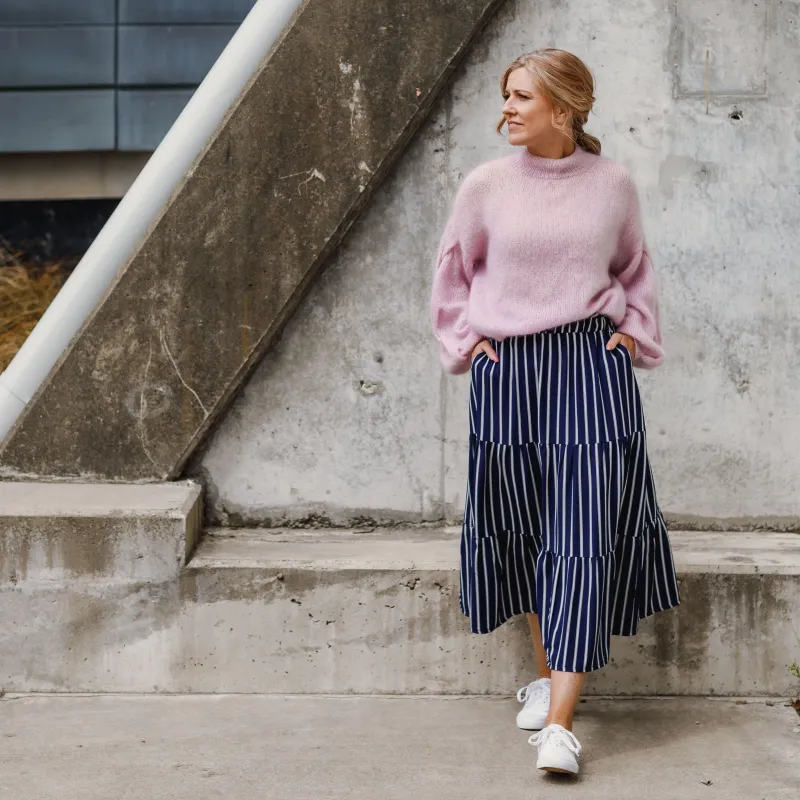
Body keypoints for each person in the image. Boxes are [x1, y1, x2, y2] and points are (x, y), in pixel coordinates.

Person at [429, 49, 680, 776]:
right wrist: (467, 343)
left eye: (520, 97)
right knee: (531, 528)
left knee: (581, 535)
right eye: (505, 96)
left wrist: (631, 332)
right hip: (507, 374)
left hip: (589, 369)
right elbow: (451, 272)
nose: (506, 109)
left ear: (563, 110)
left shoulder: (612, 186)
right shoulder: (485, 186)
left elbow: (636, 268)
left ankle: (562, 726)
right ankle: (550, 674)